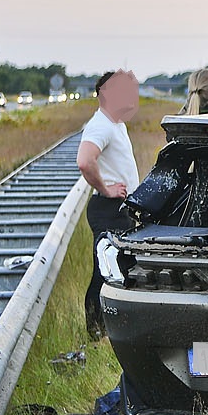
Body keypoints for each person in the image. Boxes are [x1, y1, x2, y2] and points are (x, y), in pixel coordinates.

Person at [77, 70, 142, 338]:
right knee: (105, 273)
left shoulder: (116, 124)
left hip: (118, 210)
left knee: (117, 271)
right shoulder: (100, 125)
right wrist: (106, 188)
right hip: (108, 209)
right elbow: (84, 160)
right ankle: (96, 333)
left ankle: (109, 330)